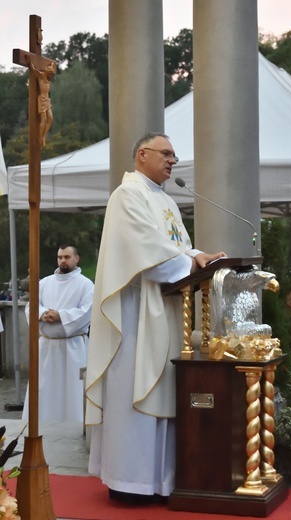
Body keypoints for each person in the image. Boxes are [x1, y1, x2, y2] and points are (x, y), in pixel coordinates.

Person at [85, 131, 226, 503]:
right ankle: (129, 482)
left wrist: (197, 254)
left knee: (162, 391)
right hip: (134, 317)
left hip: (162, 309)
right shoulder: (127, 195)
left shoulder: (163, 200)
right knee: (135, 391)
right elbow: (145, 249)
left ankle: (161, 481)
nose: (172, 161)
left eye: (174, 156)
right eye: (166, 154)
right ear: (141, 155)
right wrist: (190, 261)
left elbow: (173, 247)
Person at [22, 245, 94, 422]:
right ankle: (42, 423)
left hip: (74, 346)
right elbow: (31, 305)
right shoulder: (44, 283)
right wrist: (42, 313)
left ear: (76, 259)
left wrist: (60, 315)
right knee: (43, 387)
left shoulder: (85, 284)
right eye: (60, 257)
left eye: (67, 257)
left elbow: (88, 311)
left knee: (73, 389)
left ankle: (75, 422)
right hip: (47, 346)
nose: (63, 260)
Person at [26, 54, 55, 147]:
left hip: (47, 99)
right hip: (42, 99)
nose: (51, 75)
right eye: (50, 73)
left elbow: (52, 65)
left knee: (50, 118)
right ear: (47, 72)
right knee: (44, 119)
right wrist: (30, 62)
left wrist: (52, 64)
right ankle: (40, 137)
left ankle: (43, 136)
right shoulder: (42, 76)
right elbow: (34, 70)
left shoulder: (48, 79)